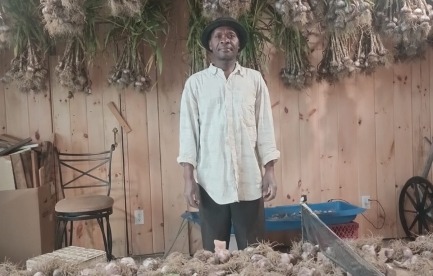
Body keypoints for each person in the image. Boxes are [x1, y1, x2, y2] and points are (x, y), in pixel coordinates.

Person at [177, 17, 280, 252]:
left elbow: (264, 127)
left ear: (238, 44)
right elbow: (188, 133)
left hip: (249, 180)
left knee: (255, 252)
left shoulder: (254, 81)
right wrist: (188, 179)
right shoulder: (196, 84)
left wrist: (269, 171)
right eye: (219, 36)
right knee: (215, 253)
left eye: (231, 36)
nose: (225, 40)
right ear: (210, 46)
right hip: (210, 182)